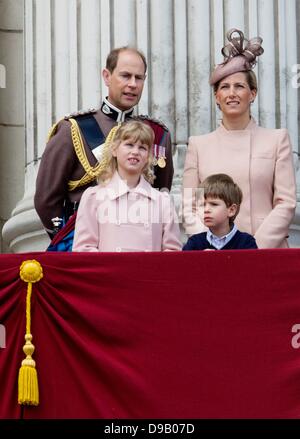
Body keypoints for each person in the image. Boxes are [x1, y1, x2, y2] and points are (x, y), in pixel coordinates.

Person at [34, 46, 174, 247]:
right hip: (84, 244)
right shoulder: (74, 129)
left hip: (141, 244)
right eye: (125, 76)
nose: (133, 84)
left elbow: (162, 189)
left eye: (139, 78)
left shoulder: (157, 134)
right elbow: (46, 199)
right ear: (107, 76)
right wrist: (64, 237)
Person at [183, 28, 296, 248]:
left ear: (252, 93)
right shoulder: (198, 145)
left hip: (265, 252)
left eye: (239, 86)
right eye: (224, 87)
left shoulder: (276, 139)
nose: (232, 93)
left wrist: (251, 248)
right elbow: (191, 206)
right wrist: (209, 245)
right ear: (217, 96)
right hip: (212, 255)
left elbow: (285, 203)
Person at [72, 120, 181, 252]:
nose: (135, 152)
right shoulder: (94, 197)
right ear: (114, 150)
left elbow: (172, 252)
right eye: (129, 145)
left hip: (148, 272)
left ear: (148, 156)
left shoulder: (162, 201)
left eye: (142, 148)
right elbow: (84, 248)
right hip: (109, 272)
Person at [183, 173, 257, 250]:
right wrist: (201, 260)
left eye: (214, 204)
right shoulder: (194, 243)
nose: (206, 210)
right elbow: (182, 262)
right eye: (202, 205)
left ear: (231, 210)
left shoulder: (246, 243)